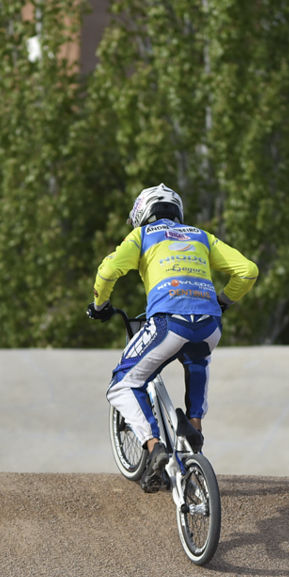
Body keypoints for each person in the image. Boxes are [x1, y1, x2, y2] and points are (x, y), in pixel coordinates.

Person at [87, 183, 259, 493]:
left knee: (123, 384)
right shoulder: (201, 236)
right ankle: (194, 432)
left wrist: (99, 305)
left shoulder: (142, 235)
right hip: (210, 325)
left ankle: (155, 448)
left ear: (142, 213)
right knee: (197, 360)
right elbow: (247, 271)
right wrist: (223, 301)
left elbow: (109, 269)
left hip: (169, 322)